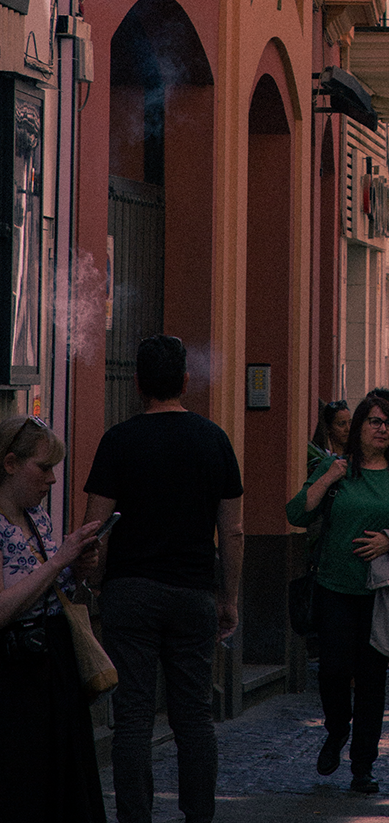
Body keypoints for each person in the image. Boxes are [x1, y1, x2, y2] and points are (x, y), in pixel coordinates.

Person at [84, 335, 243, 823]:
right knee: (194, 717)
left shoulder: (118, 440)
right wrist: (229, 597)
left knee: (131, 717)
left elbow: (97, 528)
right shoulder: (213, 438)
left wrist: (92, 586)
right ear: (186, 381)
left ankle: (136, 818)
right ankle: (198, 816)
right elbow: (232, 529)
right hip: (193, 591)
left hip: (129, 593)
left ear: (136, 384)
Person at [285, 392, 389, 795]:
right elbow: (296, 513)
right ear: (360, 428)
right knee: (332, 671)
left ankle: (362, 765)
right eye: (374, 422)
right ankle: (336, 729)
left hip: (383, 596)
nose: (382, 429)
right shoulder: (337, 469)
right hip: (335, 587)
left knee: (371, 680)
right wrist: (329, 477)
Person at [0, 414, 105, 822]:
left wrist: (76, 570)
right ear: (10, 464)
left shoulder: (37, 519)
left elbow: (57, 591)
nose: (52, 481)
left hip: (53, 667)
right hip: (14, 673)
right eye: (43, 469)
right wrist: (58, 561)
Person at [308, 398, 351, 476]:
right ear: (328, 428)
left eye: (350, 423)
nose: (347, 429)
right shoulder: (319, 460)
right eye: (341, 424)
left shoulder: (355, 458)